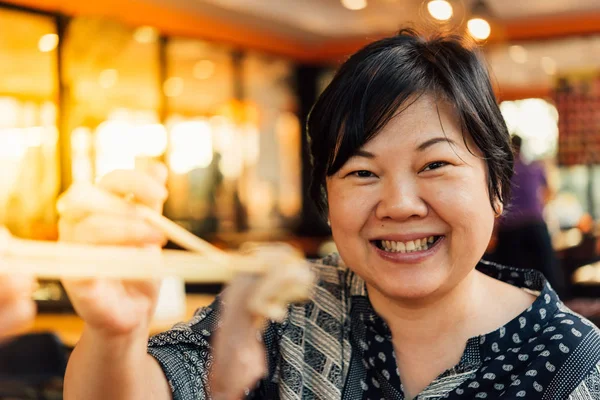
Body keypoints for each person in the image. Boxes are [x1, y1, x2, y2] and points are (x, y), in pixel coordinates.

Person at [60, 29, 600, 400]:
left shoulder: (574, 364)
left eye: (434, 164)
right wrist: (114, 335)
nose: (399, 204)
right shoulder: (280, 307)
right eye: (362, 173)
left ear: (497, 185)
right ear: (328, 197)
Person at [489, 135, 565, 297]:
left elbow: (494, 200)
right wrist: (538, 205)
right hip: (534, 223)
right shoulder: (535, 168)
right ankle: (556, 305)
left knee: (512, 275)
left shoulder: (502, 172)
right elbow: (549, 192)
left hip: (510, 228)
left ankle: (516, 309)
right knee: (548, 270)